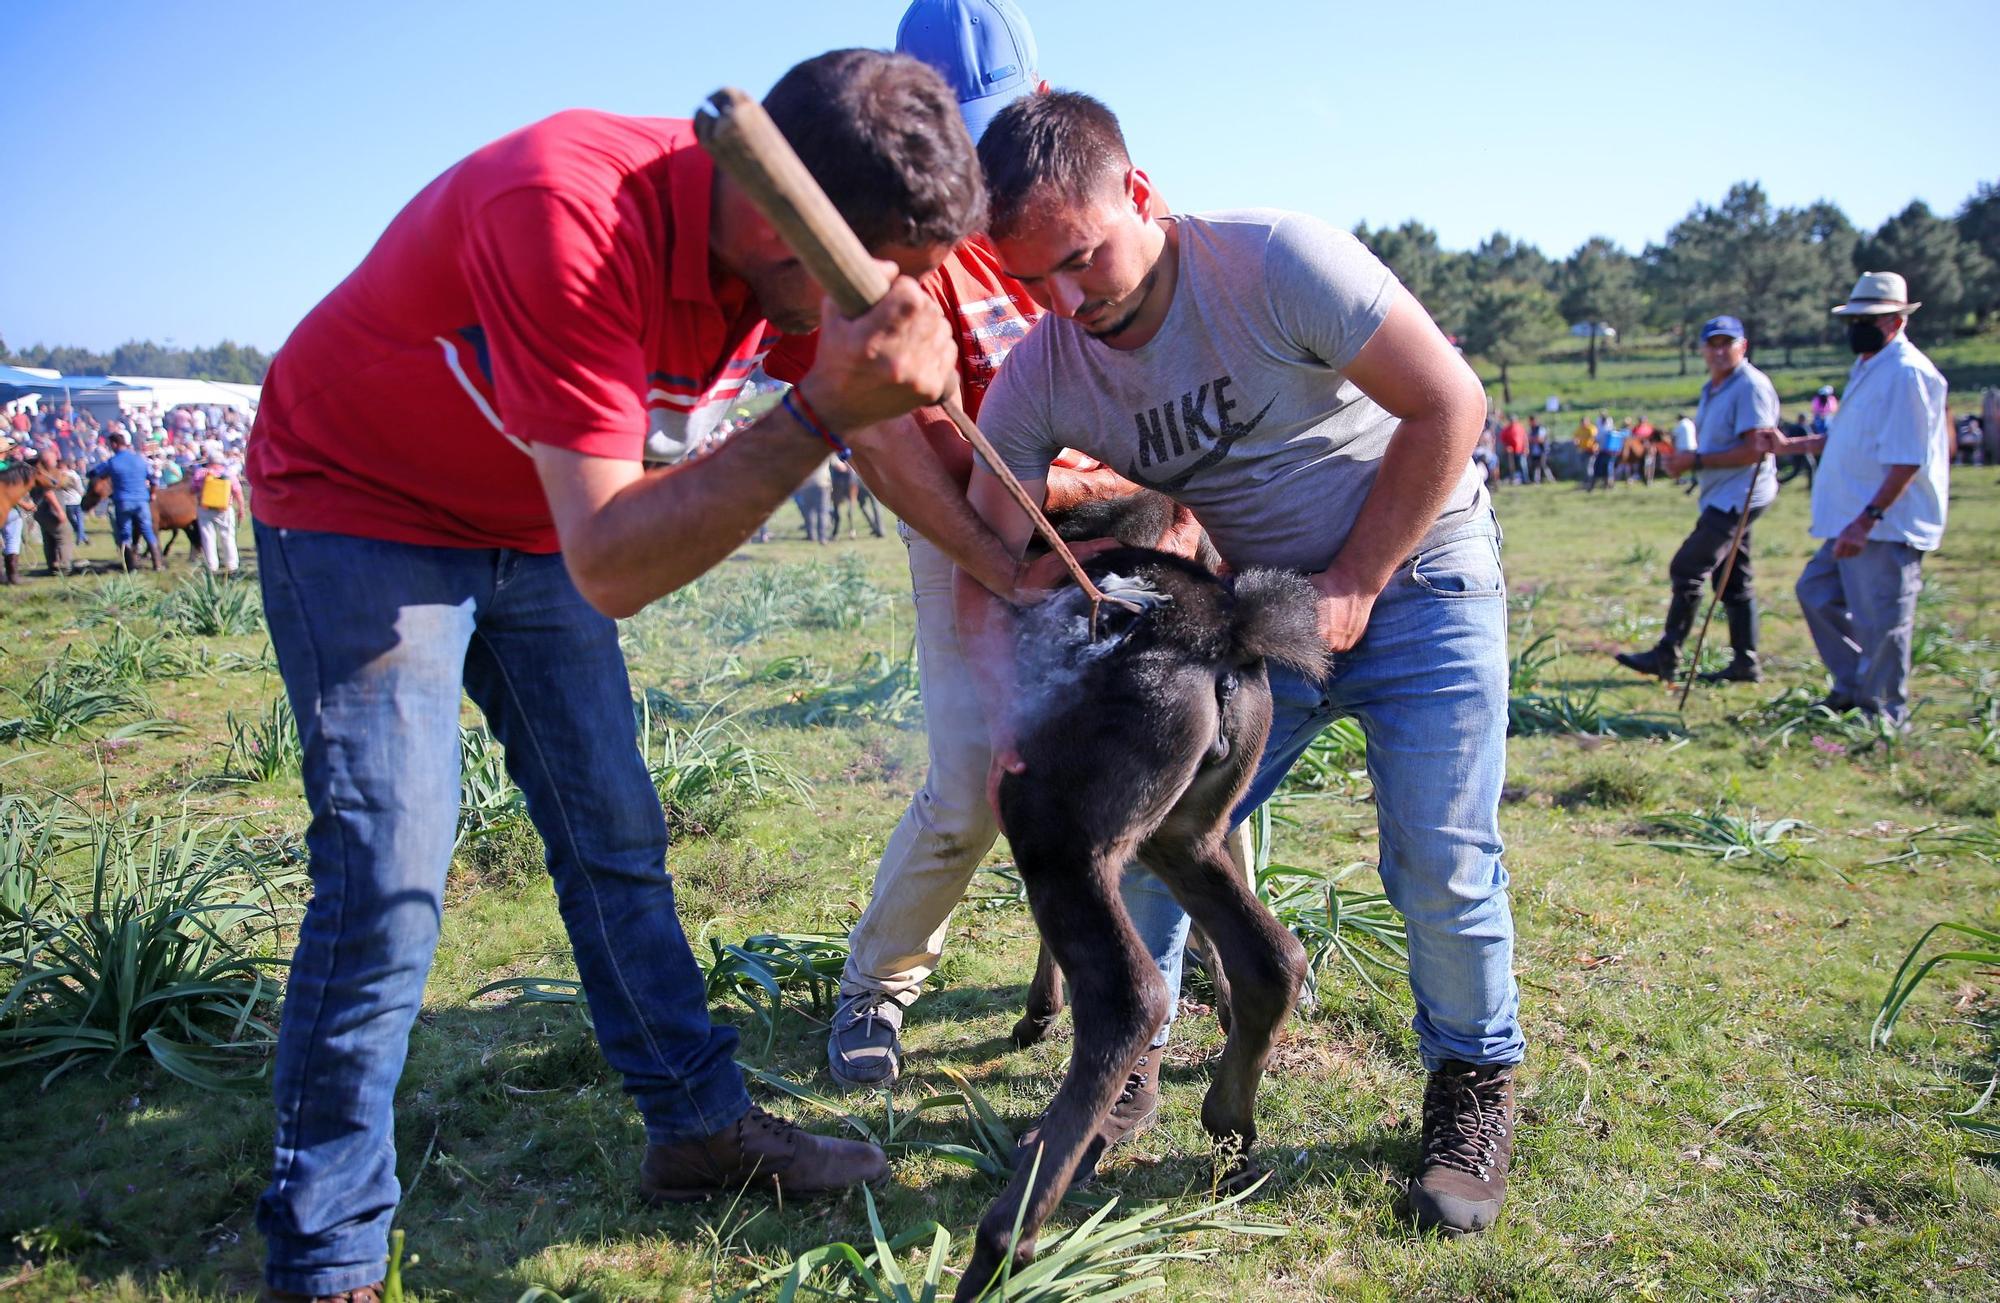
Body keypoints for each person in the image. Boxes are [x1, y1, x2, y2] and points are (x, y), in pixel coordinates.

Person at [241, 51, 983, 1303]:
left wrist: (990, 537)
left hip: (533, 523)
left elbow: (888, 419)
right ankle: (324, 1254)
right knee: (388, 871)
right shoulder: (567, 215)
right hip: (359, 507)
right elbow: (615, 567)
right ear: (769, 215)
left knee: (614, 833)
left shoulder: (779, 252)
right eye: (871, 278)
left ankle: (695, 1128)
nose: (884, 307)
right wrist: (812, 413)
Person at [959, 89, 1522, 1235]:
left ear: (1143, 196)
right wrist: (1006, 702)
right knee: (1144, 831)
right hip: (1260, 617)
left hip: (1417, 574)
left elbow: (1449, 403)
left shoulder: (1273, 263)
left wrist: (1357, 579)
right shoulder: (1046, 370)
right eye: (1032, 281)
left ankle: (1470, 1081)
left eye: (1080, 257)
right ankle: (1128, 1063)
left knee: (1436, 854)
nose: (1067, 301)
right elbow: (990, 539)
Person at [783, 1, 1219, 1120]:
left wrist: (1150, 499)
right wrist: (1014, 537)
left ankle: (1211, 941)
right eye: (947, 130)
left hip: (1116, 512)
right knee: (977, 777)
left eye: (987, 125)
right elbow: (924, 452)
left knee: (1190, 739)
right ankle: (876, 987)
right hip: (976, 521)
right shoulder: (900, 243)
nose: (973, 161)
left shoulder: (1079, 196)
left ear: (1036, 101)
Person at [1758, 272, 1950, 724]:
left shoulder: (1906, 374)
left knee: (1882, 622)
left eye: (1870, 319)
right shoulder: (1869, 366)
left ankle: (1882, 714)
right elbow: (1846, 438)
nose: (1858, 328)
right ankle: (1851, 687)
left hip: (1883, 523)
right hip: (1849, 519)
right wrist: (1791, 447)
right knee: (1816, 592)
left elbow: (1906, 460)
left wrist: (1868, 520)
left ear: (1897, 321)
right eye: (1854, 319)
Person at [1614, 316, 1778, 684]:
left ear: (1743, 346)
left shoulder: (1750, 386)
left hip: (1740, 494)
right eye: (1713, 344)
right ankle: (1745, 664)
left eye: (1727, 343)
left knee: (1687, 568)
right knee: (1732, 577)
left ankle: (1667, 655)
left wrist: (1697, 461)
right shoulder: (1714, 388)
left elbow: (1755, 449)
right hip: (1722, 491)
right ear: (1703, 349)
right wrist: (1685, 461)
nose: (1719, 351)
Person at [95, 428, 162, 571]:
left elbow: (94, 472)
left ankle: (129, 566)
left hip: (123, 501)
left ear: (114, 444)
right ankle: (157, 564)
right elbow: (154, 479)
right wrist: (153, 494)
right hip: (141, 502)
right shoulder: (140, 459)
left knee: (125, 532)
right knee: (147, 530)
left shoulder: (112, 462)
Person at [192, 448, 244, 575]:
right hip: (224, 509)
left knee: (208, 537)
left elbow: (192, 489)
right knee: (228, 536)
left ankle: (211, 566)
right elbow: (237, 491)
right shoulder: (228, 473)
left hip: (205, 508)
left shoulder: (201, 473)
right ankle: (232, 566)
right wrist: (241, 508)